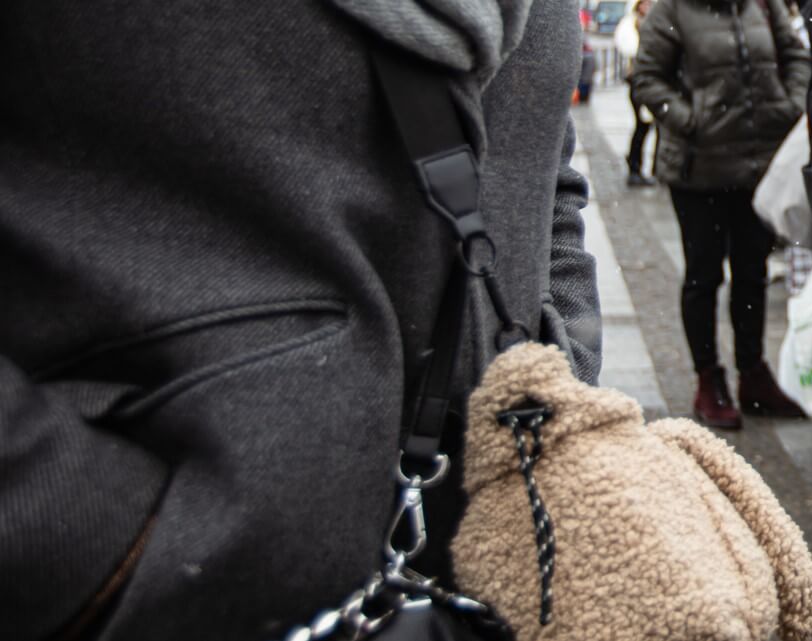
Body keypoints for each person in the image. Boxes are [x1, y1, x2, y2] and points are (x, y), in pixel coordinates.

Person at [0, 1, 603, 638]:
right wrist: (85, 539)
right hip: (178, 601)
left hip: (489, 564)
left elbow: (541, 159)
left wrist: (565, 364)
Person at [631, 0, 811, 428]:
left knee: (752, 272)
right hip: (699, 172)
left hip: (755, 164)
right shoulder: (671, 10)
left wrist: (790, 103)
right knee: (703, 275)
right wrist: (691, 120)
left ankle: (752, 373)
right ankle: (708, 379)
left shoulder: (761, 5)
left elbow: (797, 56)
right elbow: (646, 78)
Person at [617, 0, 659, 186]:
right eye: (645, 3)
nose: (647, 6)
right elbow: (629, 47)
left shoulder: (655, 21)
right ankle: (634, 168)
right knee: (643, 124)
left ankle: (653, 169)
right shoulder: (632, 22)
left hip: (653, 80)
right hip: (639, 81)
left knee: (655, 127)